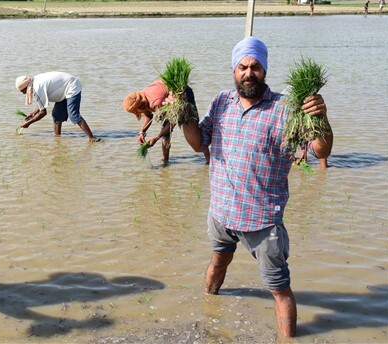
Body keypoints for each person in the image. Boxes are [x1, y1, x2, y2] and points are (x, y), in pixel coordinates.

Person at [180, 37, 333, 337]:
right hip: (222, 213)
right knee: (217, 263)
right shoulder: (222, 101)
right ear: (234, 71)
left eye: (255, 67)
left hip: (263, 221)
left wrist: (322, 118)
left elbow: (321, 152)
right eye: (242, 67)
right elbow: (199, 143)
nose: (249, 73)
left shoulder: (286, 109)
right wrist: (184, 112)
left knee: (279, 289)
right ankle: (208, 306)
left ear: (265, 70)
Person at [122, 79, 210, 164]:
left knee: (194, 131)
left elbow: (173, 121)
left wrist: (157, 137)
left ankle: (210, 160)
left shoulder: (155, 102)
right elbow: (149, 115)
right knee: (165, 133)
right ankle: (165, 161)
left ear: (138, 106)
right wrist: (142, 132)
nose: (135, 113)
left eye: (134, 111)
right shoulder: (142, 98)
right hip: (168, 100)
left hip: (183, 94)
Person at [15, 72, 101, 142]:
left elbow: (43, 112)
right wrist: (33, 113)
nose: (22, 93)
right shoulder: (34, 82)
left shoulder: (37, 87)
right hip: (63, 88)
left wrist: (28, 123)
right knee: (56, 115)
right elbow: (42, 101)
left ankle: (91, 138)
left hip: (71, 86)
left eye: (22, 90)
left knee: (73, 115)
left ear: (26, 87)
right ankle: (57, 137)